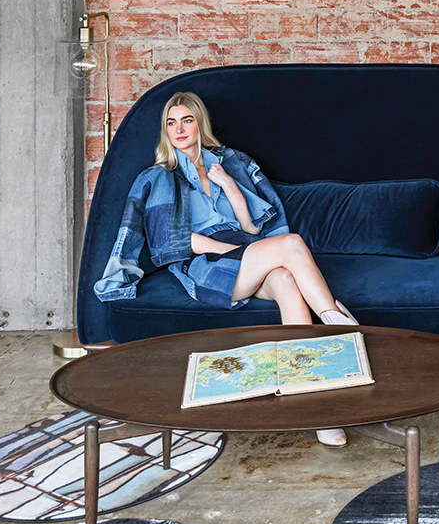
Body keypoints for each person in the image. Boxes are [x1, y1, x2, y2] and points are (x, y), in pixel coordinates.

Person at [95, 91, 357, 445]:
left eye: (187, 120)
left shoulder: (227, 164)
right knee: (292, 244)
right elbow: (175, 242)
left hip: (244, 250)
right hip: (205, 263)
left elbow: (251, 229)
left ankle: (316, 409)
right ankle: (338, 329)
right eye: (171, 123)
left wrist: (229, 185)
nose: (179, 129)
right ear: (165, 131)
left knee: (285, 279)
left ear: (199, 124)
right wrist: (234, 251)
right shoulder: (159, 177)